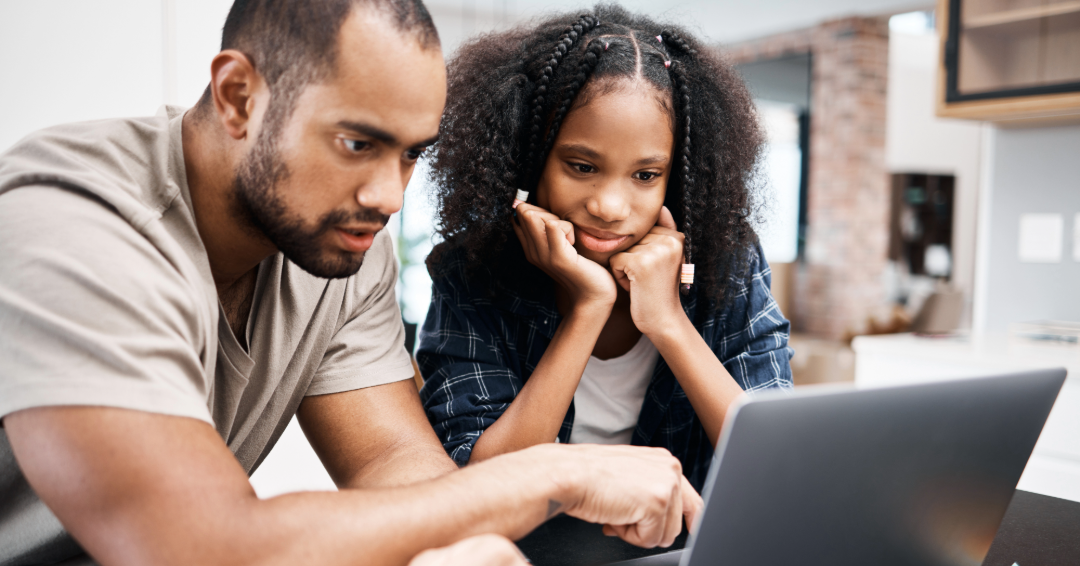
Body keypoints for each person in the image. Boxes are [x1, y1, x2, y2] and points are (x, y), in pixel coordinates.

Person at [0, 1, 703, 565]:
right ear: (238, 95)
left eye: (410, 156)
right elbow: (205, 547)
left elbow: (392, 462)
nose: (388, 196)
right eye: (358, 144)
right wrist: (560, 474)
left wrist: (473, 547)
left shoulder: (340, 242)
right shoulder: (73, 222)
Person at [418, 4, 794, 491]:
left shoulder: (728, 266)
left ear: (676, 181)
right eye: (582, 166)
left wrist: (668, 321)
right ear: (528, 161)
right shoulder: (472, 273)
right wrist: (589, 307)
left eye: (645, 175)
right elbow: (478, 481)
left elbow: (777, 462)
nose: (611, 207)